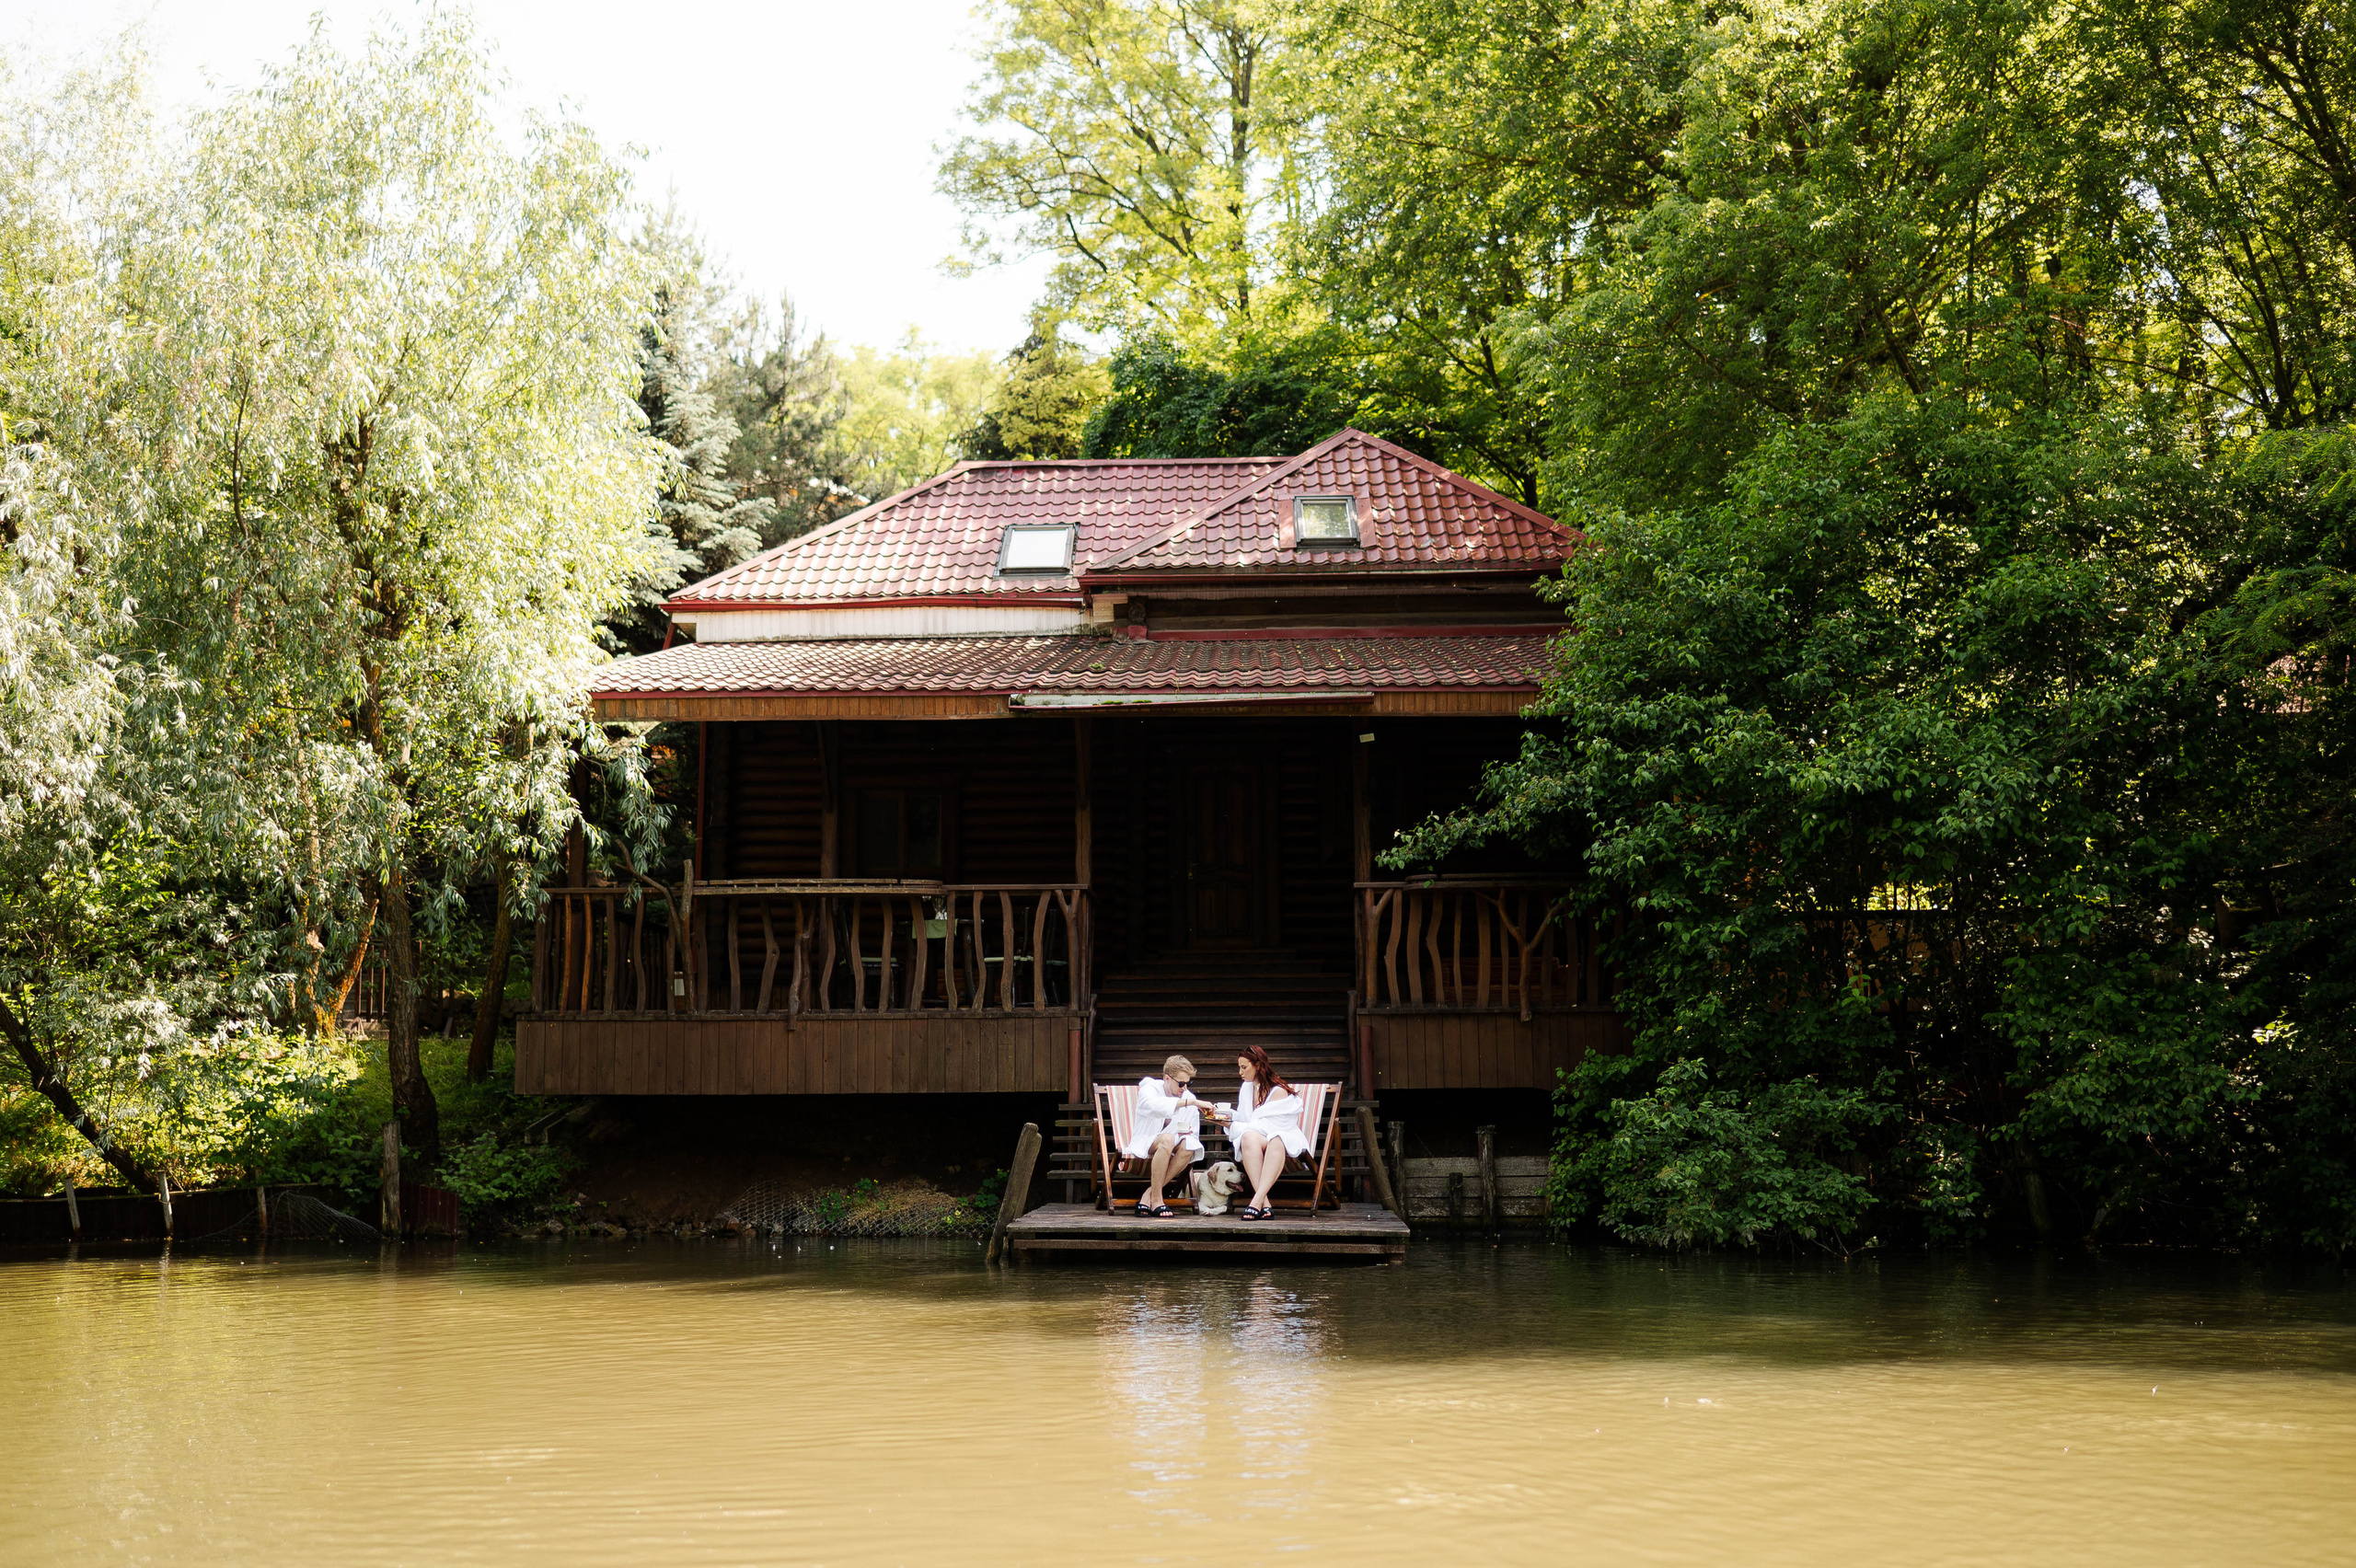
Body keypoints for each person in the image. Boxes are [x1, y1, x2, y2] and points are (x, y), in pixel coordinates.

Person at [1226, 1044, 1307, 1220]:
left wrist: (1237, 1127)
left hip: (1283, 1134)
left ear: (1259, 1066)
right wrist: (1226, 1119)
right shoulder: (1247, 1088)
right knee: (1247, 1138)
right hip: (1261, 1135)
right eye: (1239, 1067)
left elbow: (1272, 1126)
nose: (1240, 1072)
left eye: (1244, 1067)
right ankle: (1265, 1203)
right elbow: (1248, 1120)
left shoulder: (1278, 1091)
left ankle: (1255, 1202)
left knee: (1276, 1139)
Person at [1122, 1054, 1204, 1217]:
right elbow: (1150, 1105)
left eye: (1189, 1083)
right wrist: (1191, 1103)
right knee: (1167, 1138)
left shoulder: (1188, 1097)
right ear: (1167, 1078)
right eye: (1181, 1083)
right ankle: (1158, 1200)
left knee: (1190, 1144)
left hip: (1171, 1149)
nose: (1185, 1088)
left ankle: (1149, 1195)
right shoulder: (1150, 1088)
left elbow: (1192, 1132)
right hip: (1146, 1141)